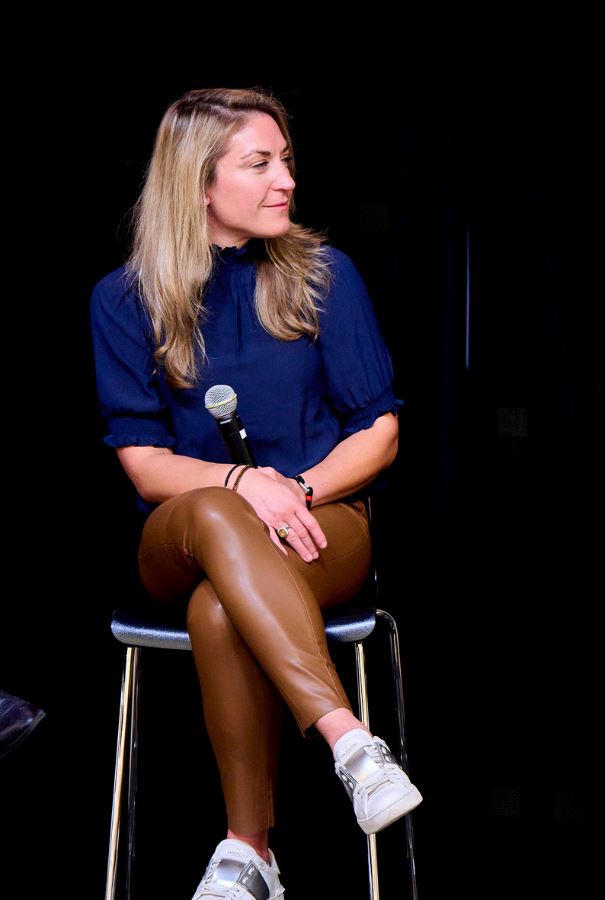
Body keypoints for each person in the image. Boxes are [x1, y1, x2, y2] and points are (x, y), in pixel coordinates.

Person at [90, 88, 421, 900]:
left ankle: (250, 853)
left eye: (287, 161)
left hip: (321, 527)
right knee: (212, 508)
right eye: (260, 163)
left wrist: (294, 491)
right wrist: (244, 483)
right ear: (200, 184)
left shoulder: (322, 277)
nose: (286, 182)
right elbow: (141, 461)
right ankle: (348, 740)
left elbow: (380, 431)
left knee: (218, 609)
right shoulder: (125, 298)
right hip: (181, 536)